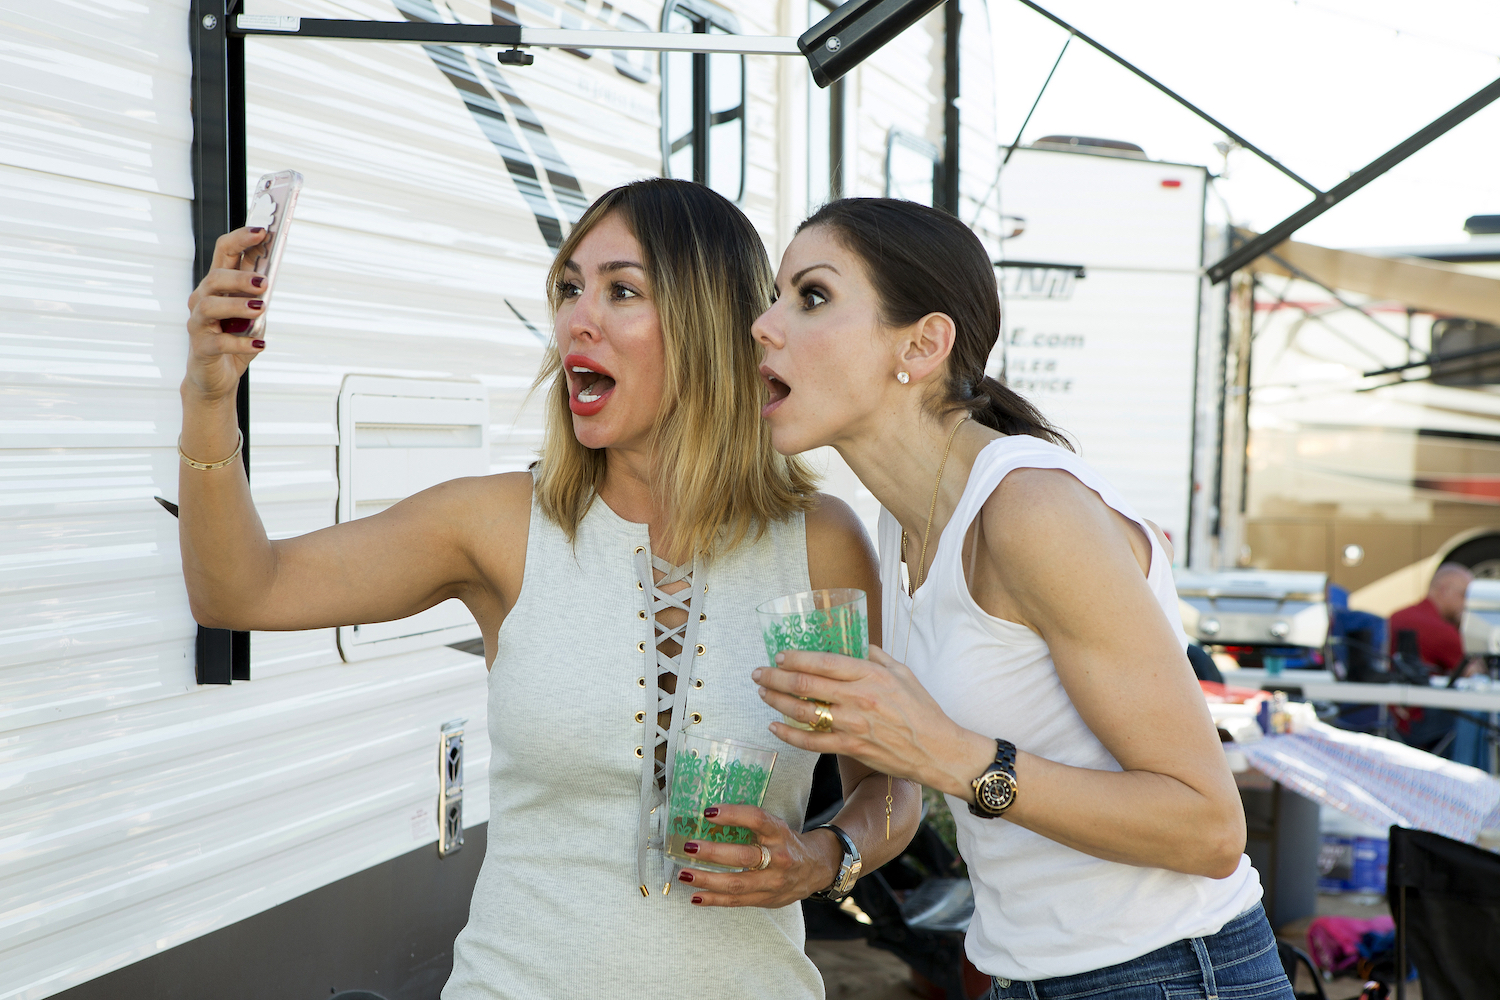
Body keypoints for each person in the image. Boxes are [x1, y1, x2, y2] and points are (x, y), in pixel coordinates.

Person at [180, 179, 919, 999]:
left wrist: (823, 857)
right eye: (569, 289)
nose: (576, 320)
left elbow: (889, 784)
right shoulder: (500, 525)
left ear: (710, 323)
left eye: (621, 291)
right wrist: (209, 395)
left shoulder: (818, 543)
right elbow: (242, 590)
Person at [749, 198, 1292, 999]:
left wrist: (955, 756)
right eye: (775, 298)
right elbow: (896, 785)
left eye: (812, 296)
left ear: (922, 345)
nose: (764, 326)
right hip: (1023, 976)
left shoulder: (1030, 509)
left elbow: (1209, 827)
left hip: (1172, 971)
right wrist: (826, 852)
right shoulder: (898, 526)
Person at [1386, 563, 1481, 752]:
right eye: (1464, 595)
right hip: (1419, 722)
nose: (1468, 604)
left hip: (1391, 718)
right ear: (1444, 590)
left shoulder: (1398, 615)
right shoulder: (1440, 629)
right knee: (1479, 714)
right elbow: (1475, 673)